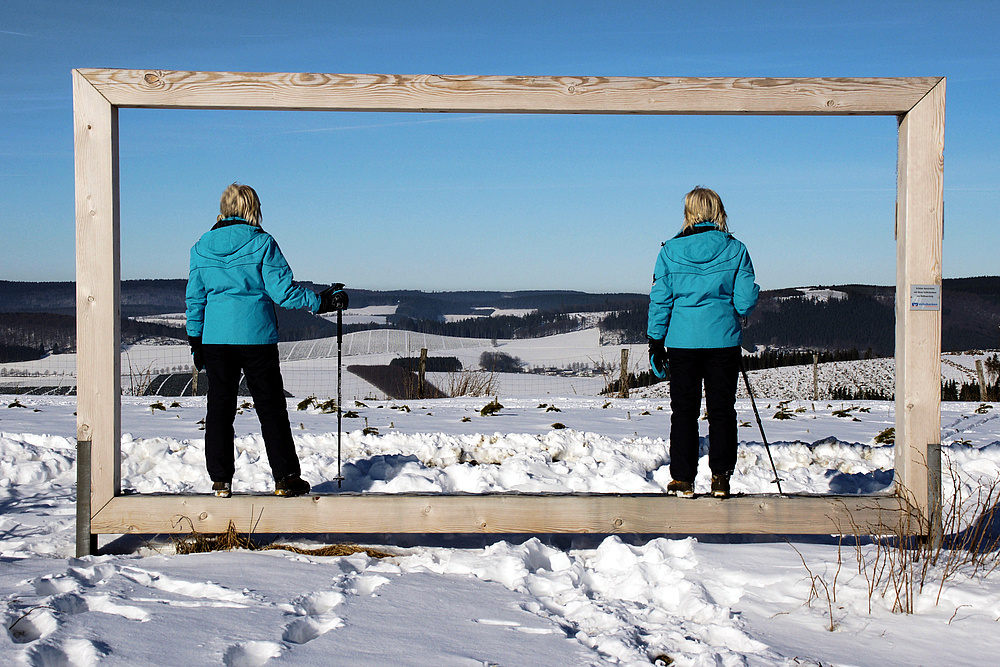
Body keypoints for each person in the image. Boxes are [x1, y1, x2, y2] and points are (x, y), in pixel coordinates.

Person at [185, 183, 348, 497]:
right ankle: (285, 478)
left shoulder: (201, 247)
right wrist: (322, 302)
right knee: (271, 408)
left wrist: (196, 339)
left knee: (219, 409)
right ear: (251, 208)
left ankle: (220, 480)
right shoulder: (262, 243)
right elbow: (284, 292)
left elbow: (195, 300)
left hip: (216, 340)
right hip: (256, 338)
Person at [646, 187, 760, 499]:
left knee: (684, 411)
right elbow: (744, 302)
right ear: (719, 211)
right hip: (723, 341)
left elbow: (661, 301)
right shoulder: (736, 249)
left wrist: (655, 341)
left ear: (689, 213)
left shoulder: (669, 251)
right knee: (722, 410)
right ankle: (721, 478)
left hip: (682, 343)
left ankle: (683, 479)